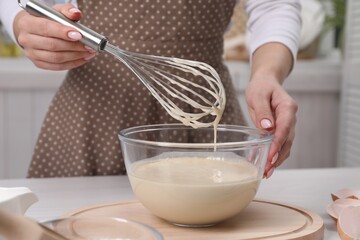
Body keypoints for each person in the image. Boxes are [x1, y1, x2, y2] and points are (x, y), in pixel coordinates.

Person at [0, 0, 301, 178]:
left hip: (202, 108)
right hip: (91, 117)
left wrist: (267, 74)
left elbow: (275, 5)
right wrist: (22, 23)